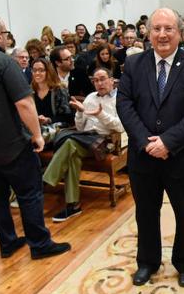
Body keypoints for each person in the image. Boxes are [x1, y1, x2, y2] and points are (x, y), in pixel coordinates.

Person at [0, 14, 70, 259]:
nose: (6, 38)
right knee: (30, 193)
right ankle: (39, 244)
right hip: (10, 143)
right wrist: (37, 135)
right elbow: (24, 103)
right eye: (6, 34)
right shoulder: (3, 61)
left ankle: (6, 242)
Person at [116, 7, 184, 288]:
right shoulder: (134, 64)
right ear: (148, 32)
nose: (162, 34)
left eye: (168, 28)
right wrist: (147, 142)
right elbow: (125, 104)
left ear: (180, 33)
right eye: (156, 28)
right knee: (145, 212)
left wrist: (169, 142)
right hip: (143, 156)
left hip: (181, 156)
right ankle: (147, 262)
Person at [43, 67, 124, 222]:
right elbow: (80, 128)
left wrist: (100, 114)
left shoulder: (120, 99)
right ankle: (73, 205)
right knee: (72, 153)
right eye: (96, 80)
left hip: (105, 142)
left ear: (112, 80)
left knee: (70, 144)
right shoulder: (90, 98)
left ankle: (44, 183)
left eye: (102, 79)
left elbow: (120, 127)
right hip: (84, 139)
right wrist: (80, 112)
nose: (99, 83)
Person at [30, 57, 73, 127]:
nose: (37, 73)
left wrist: (48, 120)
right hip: (36, 128)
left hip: (56, 129)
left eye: (41, 70)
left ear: (48, 71)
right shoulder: (30, 91)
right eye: (34, 70)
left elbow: (67, 117)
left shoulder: (59, 90)